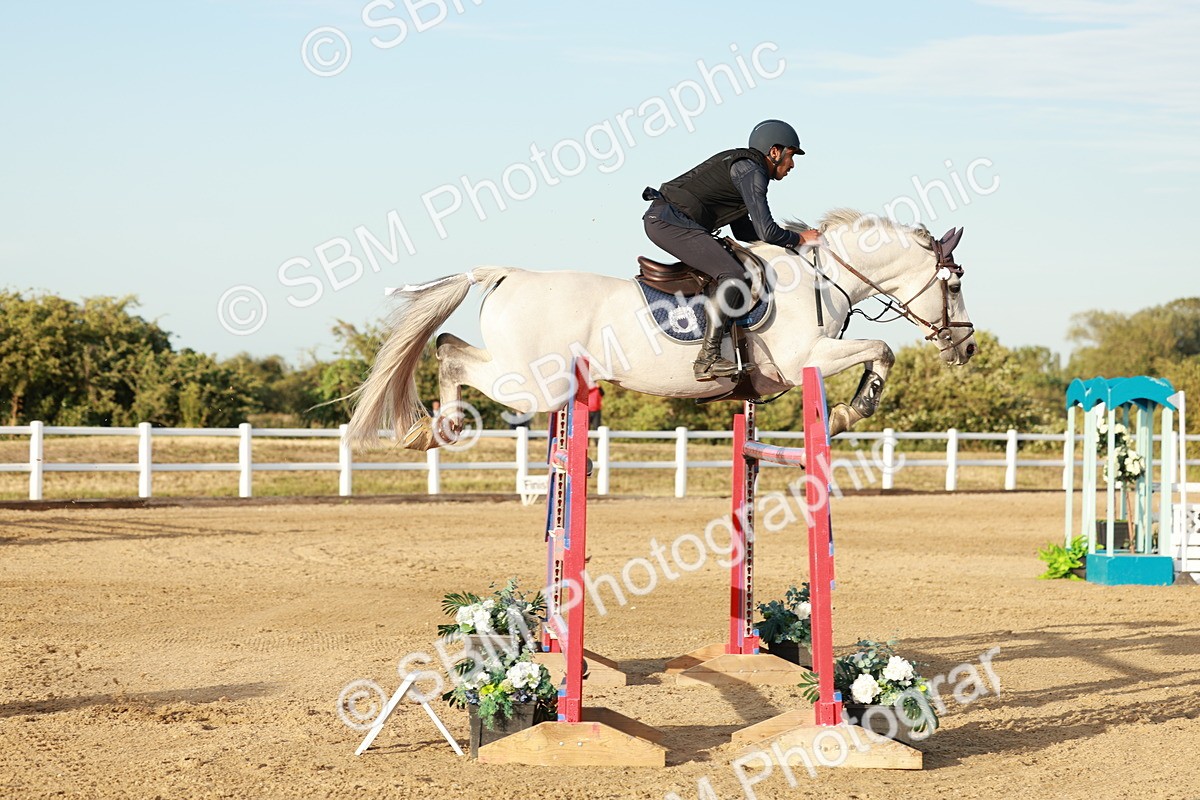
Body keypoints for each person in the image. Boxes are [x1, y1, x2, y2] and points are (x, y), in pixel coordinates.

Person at [643, 119, 822, 381]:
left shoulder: (745, 170)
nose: (792, 165)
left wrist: (791, 239)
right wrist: (799, 239)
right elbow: (766, 232)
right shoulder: (752, 171)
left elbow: (744, 231)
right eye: (791, 156)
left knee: (734, 269)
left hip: (670, 220)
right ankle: (707, 359)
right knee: (734, 275)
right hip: (669, 222)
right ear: (775, 152)